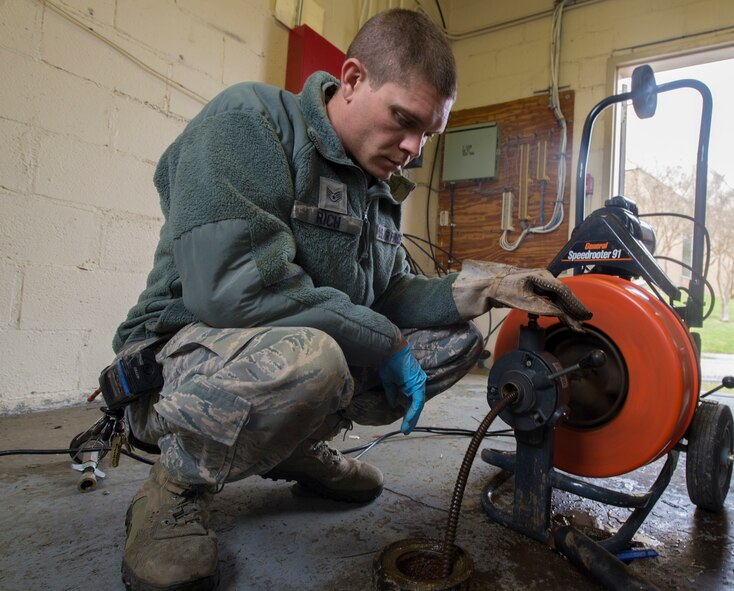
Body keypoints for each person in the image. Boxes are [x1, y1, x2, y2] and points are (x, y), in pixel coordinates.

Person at [112, 8, 591, 591]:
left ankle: (294, 447)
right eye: (403, 119)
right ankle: (173, 490)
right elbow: (233, 289)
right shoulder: (249, 122)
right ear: (354, 78)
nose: (413, 148)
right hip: (174, 366)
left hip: (288, 352)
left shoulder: (374, 186)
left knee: (452, 343)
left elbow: (386, 292)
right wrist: (383, 341)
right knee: (316, 356)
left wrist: (485, 289)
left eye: (427, 134)